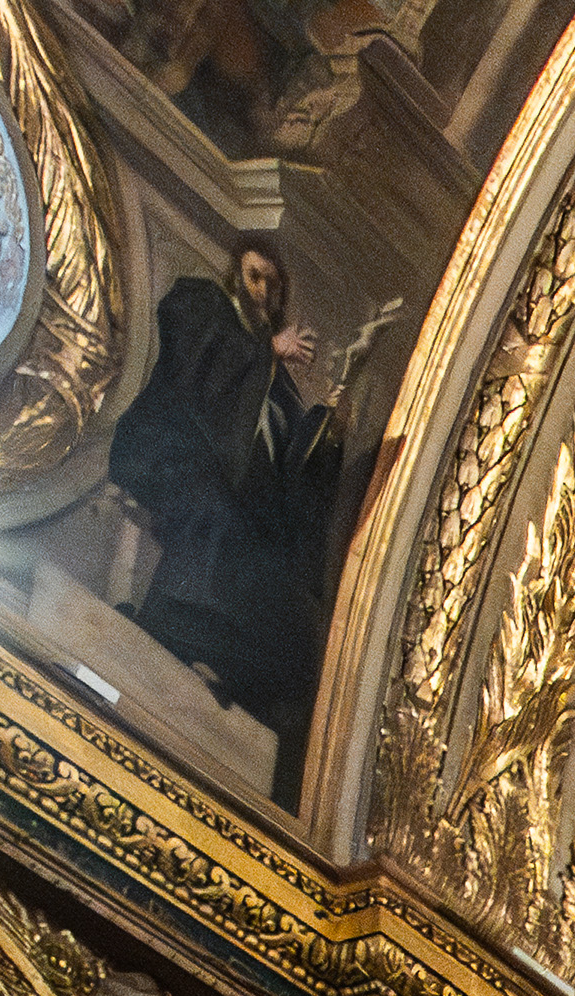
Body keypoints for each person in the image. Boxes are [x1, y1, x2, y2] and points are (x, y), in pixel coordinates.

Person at [111, 240, 353, 776]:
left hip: (247, 509)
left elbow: (292, 468)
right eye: (254, 276)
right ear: (232, 275)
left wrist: (327, 431)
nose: (262, 293)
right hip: (186, 466)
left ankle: (235, 669)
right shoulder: (201, 304)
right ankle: (181, 631)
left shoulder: (279, 386)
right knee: (218, 520)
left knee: (277, 575)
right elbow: (198, 358)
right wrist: (265, 352)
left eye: (272, 286)